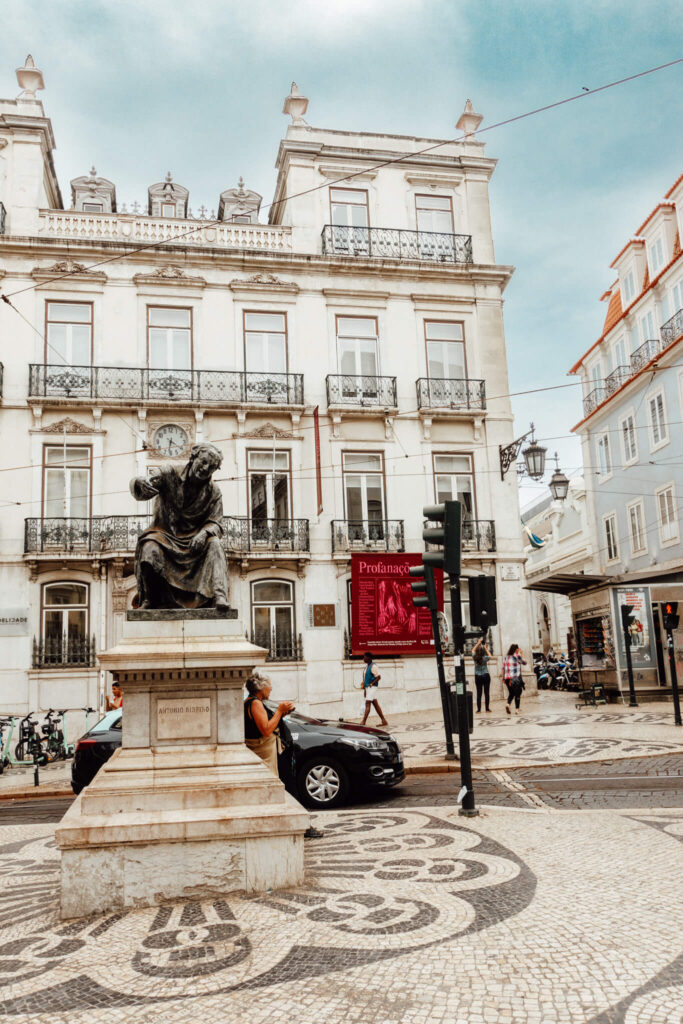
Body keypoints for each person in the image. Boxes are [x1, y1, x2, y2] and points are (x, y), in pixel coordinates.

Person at [130, 442, 229, 609]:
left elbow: (216, 523)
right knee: (149, 546)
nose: (205, 468)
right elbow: (148, 483)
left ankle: (220, 597)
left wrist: (204, 534)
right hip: (165, 535)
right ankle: (150, 599)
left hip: (195, 541)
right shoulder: (170, 473)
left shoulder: (214, 492)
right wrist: (141, 482)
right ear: (193, 458)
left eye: (211, 467)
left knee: (215, 544)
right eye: (203, 462)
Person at [243, 671, 323, 838]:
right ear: (261, 687)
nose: (271, 689)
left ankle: (299, 824)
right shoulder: (255, 703)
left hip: (272, 752)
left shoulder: (253, 702)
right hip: (268, 754)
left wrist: (281, 713)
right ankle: (302, 825)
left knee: (288, 789)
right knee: (289, 790)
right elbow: (265, 729)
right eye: (269, 685)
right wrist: (279, 711)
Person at [360, 652, 388, 727]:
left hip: (372, 688)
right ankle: (384, 720)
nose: (363, 658)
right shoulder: (367, 667)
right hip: (368, 688)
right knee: (375, 704)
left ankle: (363, 721)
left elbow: (378, 677)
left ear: (369, 658)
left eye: (365, 657)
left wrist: (372, 683)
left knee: (367, 703)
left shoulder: (373, 666)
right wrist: (365, 690)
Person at [503, 643, 527, 715]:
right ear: (516, 649)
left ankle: (508, 704)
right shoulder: (517, 657)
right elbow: (525, 662)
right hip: (515, 679)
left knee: (511, 693)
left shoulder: (506, 657)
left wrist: (503, 678)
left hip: (507, 678)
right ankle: (517, 710)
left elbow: (503, 668)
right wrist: (522, 653)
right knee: (518, 694)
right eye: (518, 649)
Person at [472, 638, 492, 713]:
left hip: (478, 676)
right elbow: (490, 656)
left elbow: (473, 650)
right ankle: (487, 708)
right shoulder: (485, 658)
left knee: (479, 693)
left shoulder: (475, 657)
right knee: (487, 693)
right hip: (486, 675)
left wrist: (478, 643)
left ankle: (479, 710)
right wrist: (486, 648)